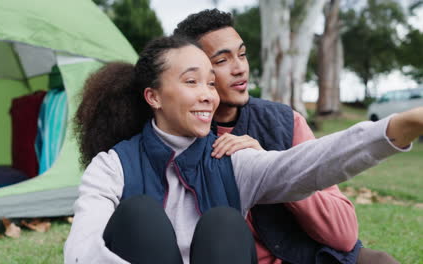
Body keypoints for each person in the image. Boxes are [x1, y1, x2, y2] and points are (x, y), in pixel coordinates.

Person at [64, 35, 422, 264]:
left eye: (209, 82)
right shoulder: (113, 166)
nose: (208, 94)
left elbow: (311, 164)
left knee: (224, 223)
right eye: (191, 82)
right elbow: (82, 250)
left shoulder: (230, 157)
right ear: (153, 96)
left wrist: (400, 126)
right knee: (139, 215)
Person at [173, 9, 399, 264]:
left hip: (303, 256)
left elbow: (344, 235)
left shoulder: (285, 123)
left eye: (242, 55)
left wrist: (277, 169)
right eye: (222, 61)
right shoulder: (177, 134)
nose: (240, 69)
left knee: (380, 261)